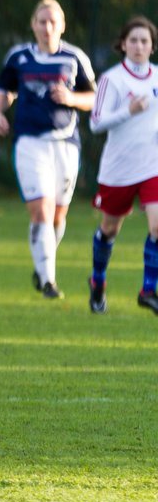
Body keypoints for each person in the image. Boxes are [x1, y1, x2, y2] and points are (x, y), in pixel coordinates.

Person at [0, 0, 97, 299]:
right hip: (30, 142)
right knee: (41, 211)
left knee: (58, 217)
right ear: (33, 25)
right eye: (42, 21)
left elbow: (94, 98)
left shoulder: (75, 58)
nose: (47, 27)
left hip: (65, 144)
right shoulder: (19, 57)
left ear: (62, 26)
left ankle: (41, 266)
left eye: (53, 21)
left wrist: (72, 99)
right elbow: (5, 90)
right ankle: (48, 279)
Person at [85, 16, 158, 315]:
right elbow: (96, 123)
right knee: (109, 229)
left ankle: (148, 290)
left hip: (152, 164)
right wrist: (128, 110)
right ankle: (97, 281)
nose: (139, 46)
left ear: (152, 47)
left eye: (145, 41)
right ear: (123, 44)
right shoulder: (112, 79)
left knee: (157, 225)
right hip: (119, 169)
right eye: (134, 40)